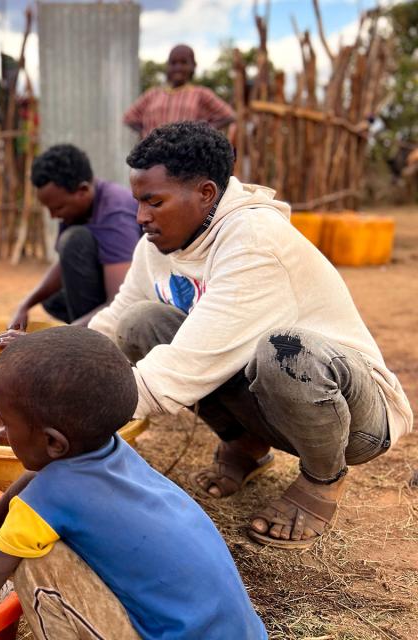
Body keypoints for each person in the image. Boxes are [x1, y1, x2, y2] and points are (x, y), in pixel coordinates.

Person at [85, 121, 412, 548]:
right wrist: (55, 373)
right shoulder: (157, 246)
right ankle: (247, 445)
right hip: (271, 400)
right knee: (141, 322)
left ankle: (322, 481)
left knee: (284, 351)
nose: (141, 217)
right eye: (138, 202)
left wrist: (76, 416)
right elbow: (114, 322)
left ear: (205, 194)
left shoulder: (255, 242)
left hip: (353, 417)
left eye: (154, 201)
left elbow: (180, 370)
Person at [0, 326, 267, 640]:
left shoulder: (46, 502)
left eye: (7, 424)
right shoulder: (113, 453)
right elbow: (30, 483)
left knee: (35, 563)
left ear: (55, 443)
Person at [7, 144, 140, 330]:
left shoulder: (115, 214)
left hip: (134, 303)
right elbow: (64, 266)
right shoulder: (75, 208)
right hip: (108, 296)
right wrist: (26, 304)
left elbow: (121, 303)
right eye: (50, 209)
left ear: (83, 190)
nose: (53, 216)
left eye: (58, 208)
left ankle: (91, 342)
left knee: (74, 240)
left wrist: (61, 338)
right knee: (50, 298)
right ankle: (84, 330)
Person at [124, 44, 235, 140]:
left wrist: (201, 133)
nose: (178, 67)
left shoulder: (201, 94)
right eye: (173, 63)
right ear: (167, 66)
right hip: (154, 158)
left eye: (184, 62)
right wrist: (145, 134)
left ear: (193, 66)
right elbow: (129, 117)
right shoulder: (153, 94)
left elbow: (228, 116)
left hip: (187, 158)